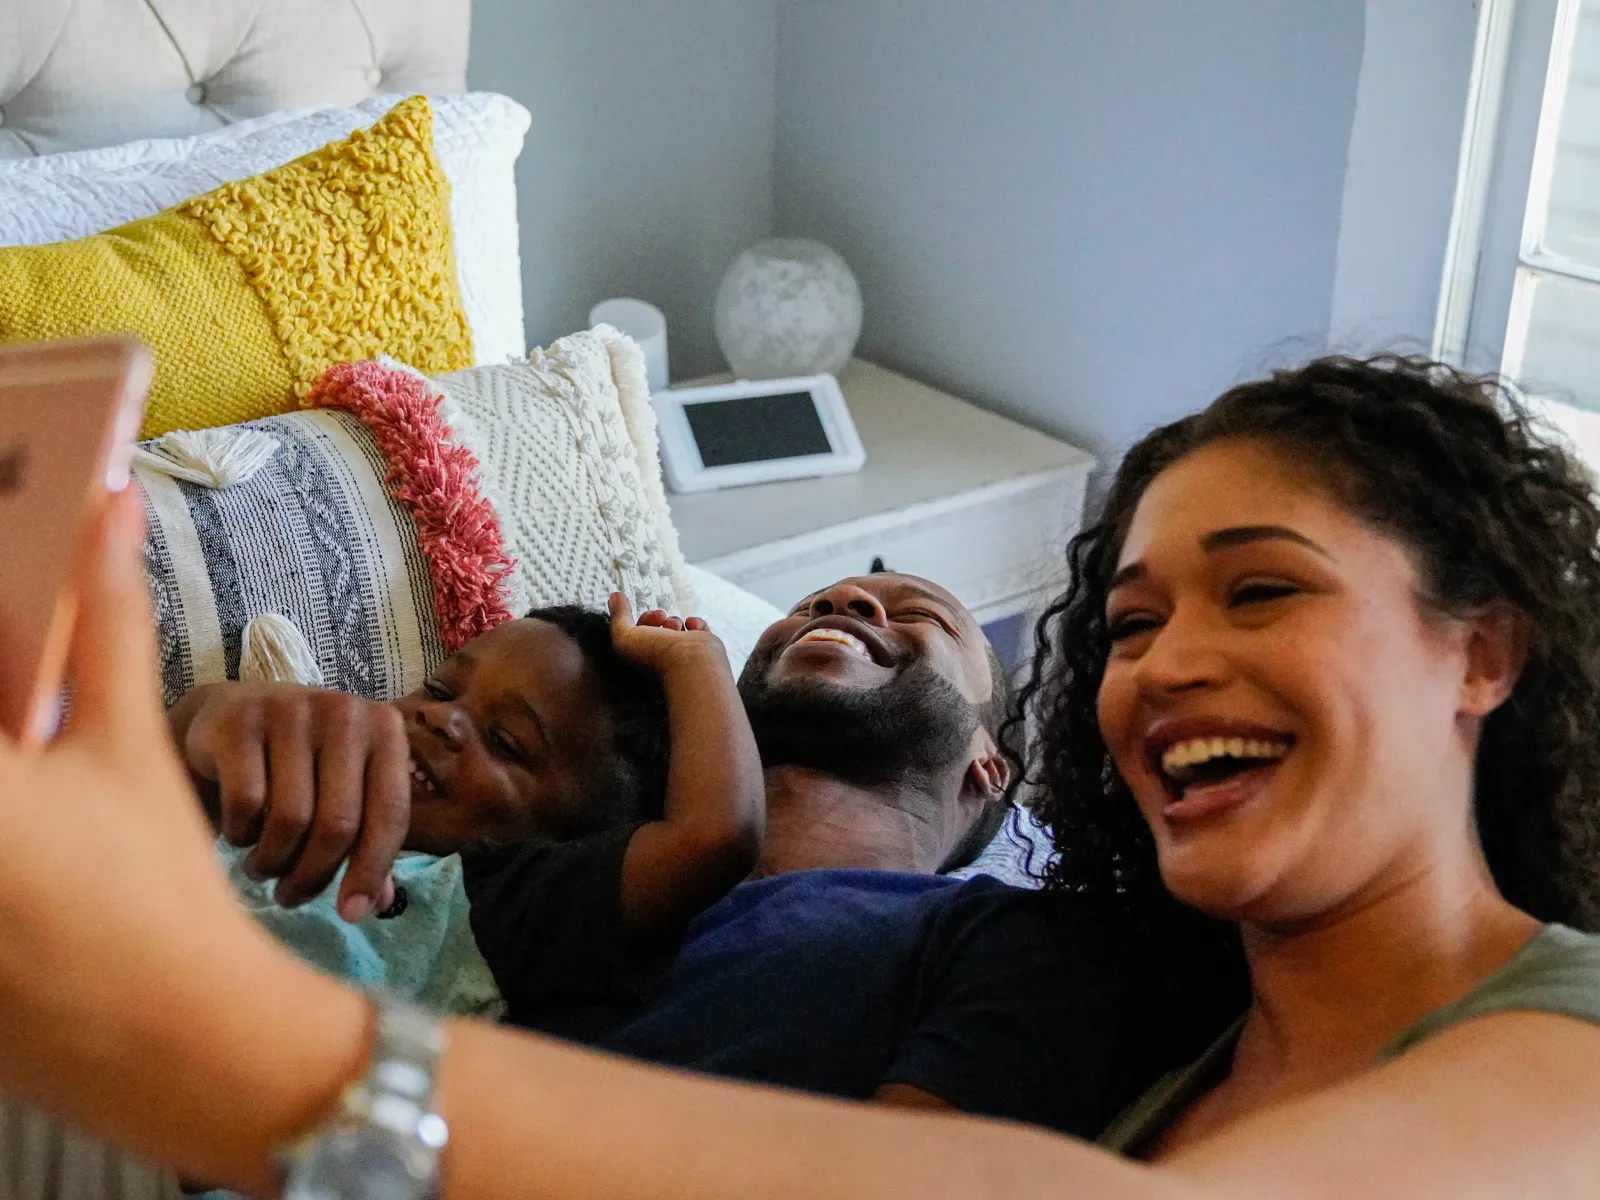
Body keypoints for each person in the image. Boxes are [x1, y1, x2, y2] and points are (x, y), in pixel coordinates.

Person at [4, 353, 1600, 1200]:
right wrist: (215, 746)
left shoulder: (1568, 1043)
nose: (1166, 662)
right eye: (1127, 623)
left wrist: (251, 1055)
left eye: (1262, 590)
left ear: (1485, 653)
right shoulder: (1171, 1041)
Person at [170, 569, 1154, 1135]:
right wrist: (206, 721)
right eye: (820, 600)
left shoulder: (1008, 941)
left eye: (918, 617)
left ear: (990, 764)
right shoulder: (555, 854)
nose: (853, 601)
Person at [166, 599, 764, 1017]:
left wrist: (695, 658)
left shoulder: (499, 902)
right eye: (442, 688)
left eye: (506, 743)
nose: (440, 718)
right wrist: (213, 715)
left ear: (575, 846)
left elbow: (716, 836)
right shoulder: (316, 771)